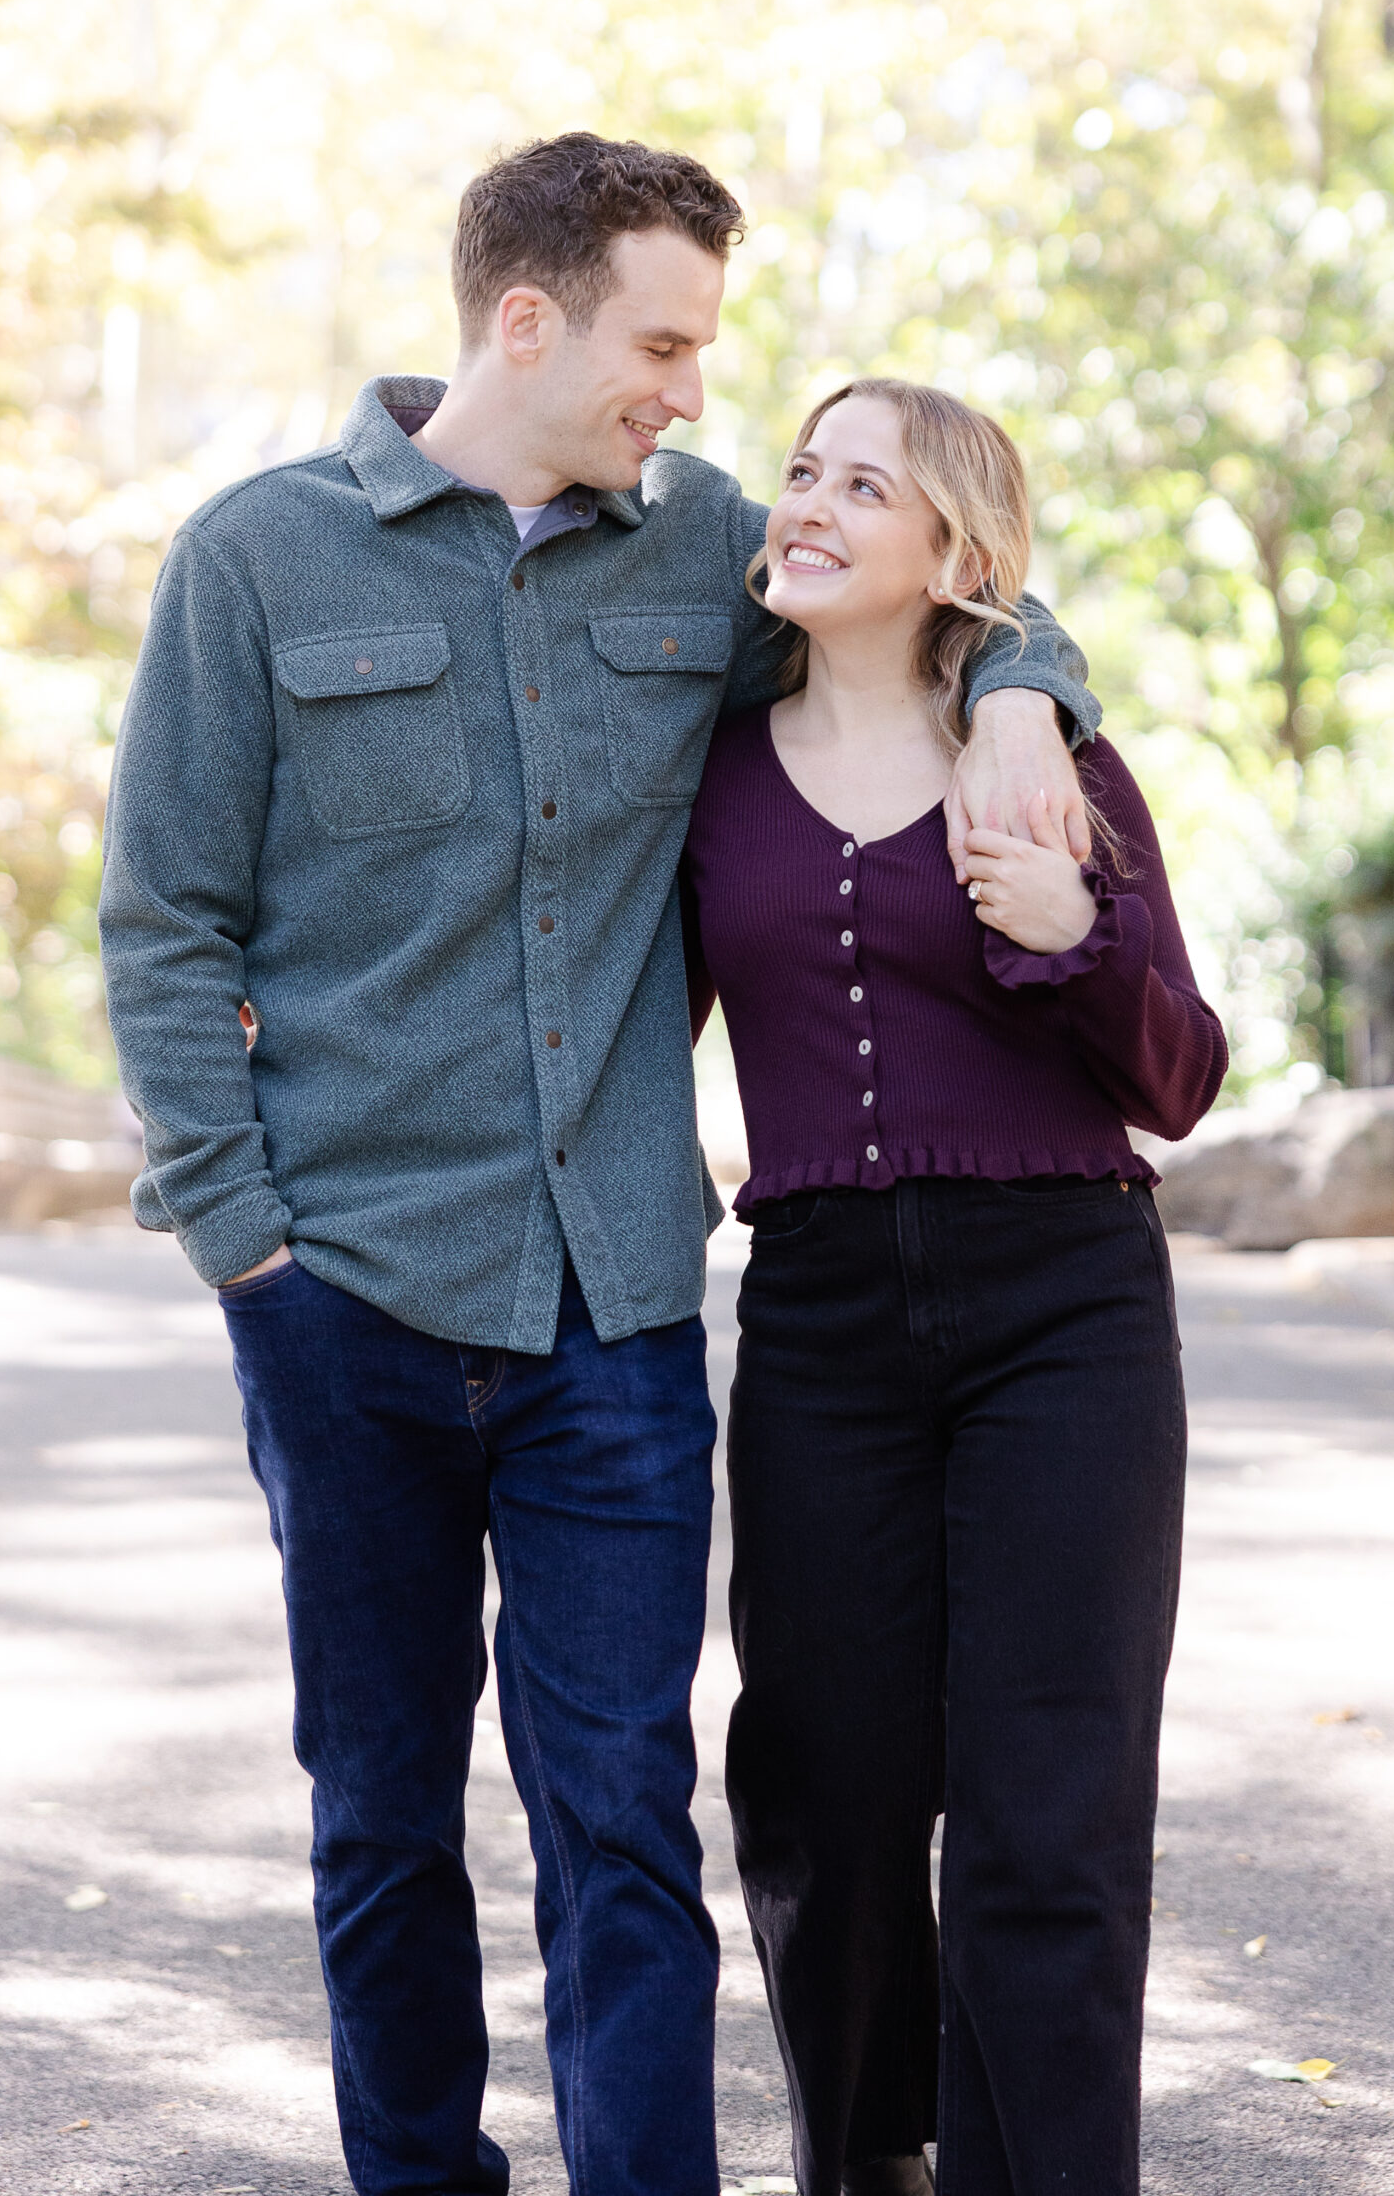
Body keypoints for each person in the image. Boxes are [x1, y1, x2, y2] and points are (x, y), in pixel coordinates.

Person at [98, 134, 1100, 2196]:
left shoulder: (702, 545)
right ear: (525, 317)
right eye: (663, 339)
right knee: (379, 1810)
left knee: (622, 1813)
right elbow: (163, 916)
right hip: (343, 1296)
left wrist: (1020, 698)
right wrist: (239, 1238)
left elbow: (932, 587)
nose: (694, 390)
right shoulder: (258, 557)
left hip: (616, 1312)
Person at [679, 379, 1228, 2196]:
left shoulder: (1046, 762)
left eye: (867, 486)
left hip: (1064, 1310)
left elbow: (1178, 1075)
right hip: (822, 1323)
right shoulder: (712, 769)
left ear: (960, 557)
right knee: (822, 1799)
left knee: (1046, 1820)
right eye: (804, 472)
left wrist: (1076, 950)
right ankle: (866, 2164)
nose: (812, 505)